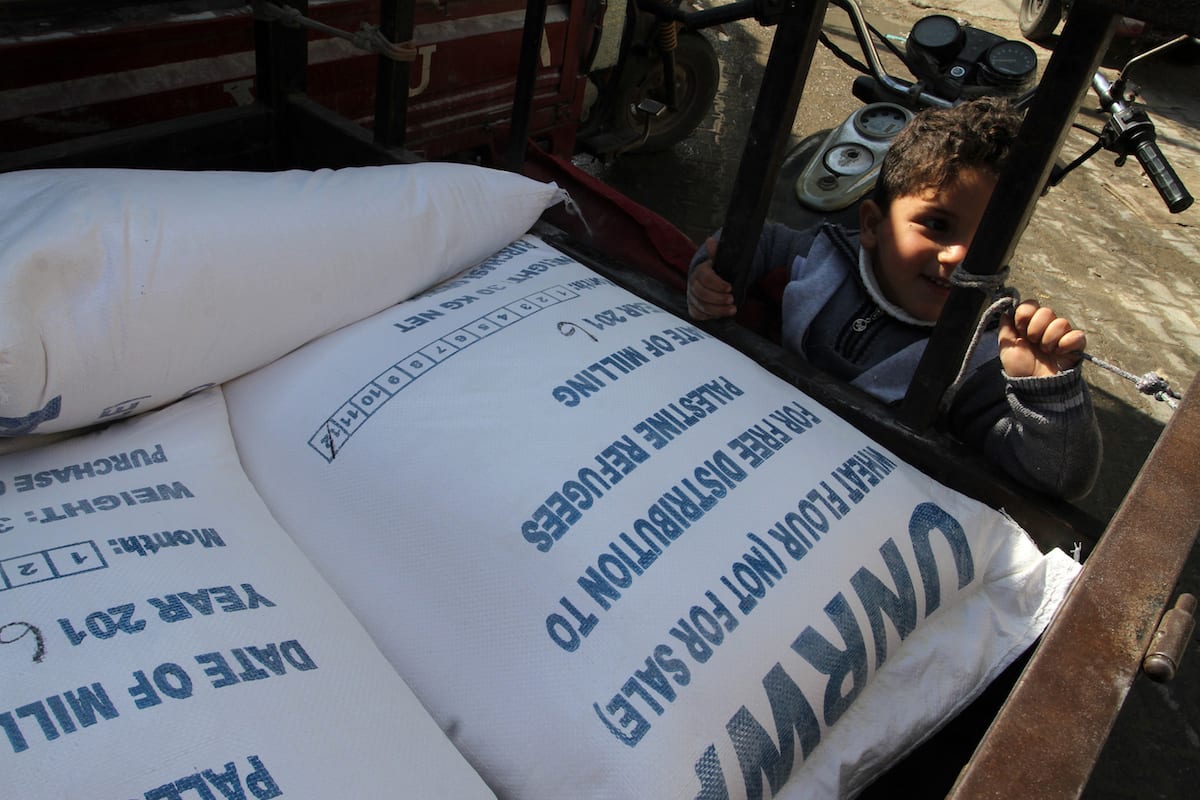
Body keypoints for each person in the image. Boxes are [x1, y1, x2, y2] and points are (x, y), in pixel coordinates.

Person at [686, 96, 1101, 499]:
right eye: (937, 224)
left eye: (990, 239)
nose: (960, 255)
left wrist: (1048, 395)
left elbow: (1059, 479)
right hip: (741, 448)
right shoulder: (826, 253)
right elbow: (749, 243)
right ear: (871, 225)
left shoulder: (983, 355)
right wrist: (707, 274)